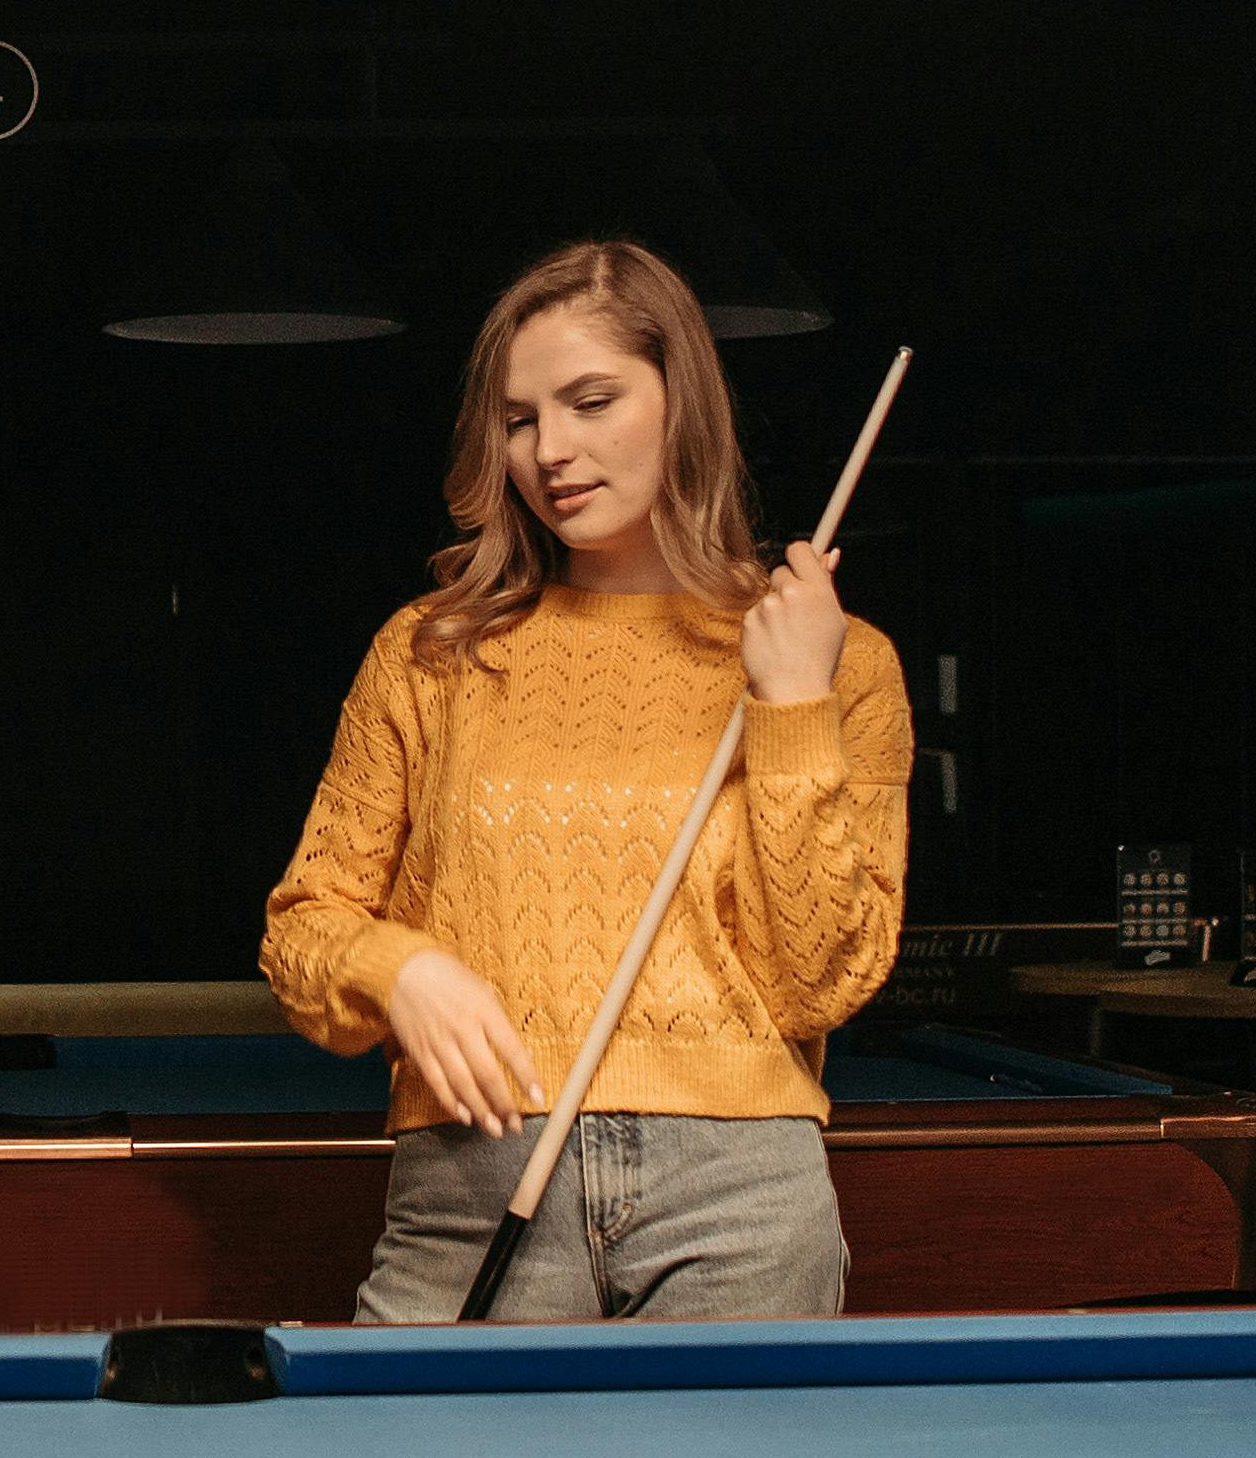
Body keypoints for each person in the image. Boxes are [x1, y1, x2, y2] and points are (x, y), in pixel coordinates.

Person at [262, 240, 911, 1321]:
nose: (548, 449)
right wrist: (399, 966)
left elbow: (822, 985)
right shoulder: (429, 651)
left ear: (681, 404)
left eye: (590, 400)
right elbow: (298, 932)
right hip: (474, 1174)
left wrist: (792, 705)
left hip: (738, 1203)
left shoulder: (842, 661)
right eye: (518, 419)